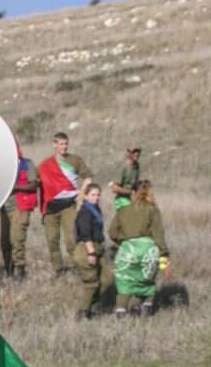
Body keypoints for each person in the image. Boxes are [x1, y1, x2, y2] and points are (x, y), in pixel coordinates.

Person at [107, 178, 170, 315]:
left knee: (125, 283)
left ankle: (120, 314)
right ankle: (146, 309)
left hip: (128, 251)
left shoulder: (123, 210)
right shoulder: (153, 210)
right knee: (147, 282)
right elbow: (158, 235)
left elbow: (112, 232)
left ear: (133, 192)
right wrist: (164, 255)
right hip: (149, 251)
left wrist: (124, 242)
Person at [36, 132, 89, 276]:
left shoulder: (75, 160)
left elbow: (88, 177)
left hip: (68, 205)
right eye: (61, 144)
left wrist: (82, 194)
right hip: (51, 208)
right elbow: (36, 181)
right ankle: (58, 269)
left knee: (71, 238)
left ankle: (75, 267)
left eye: (66, 144)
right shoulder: (44, 165)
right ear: (55, 145)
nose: (64, 147)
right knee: (52, 239)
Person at [71, 181, 109, 318]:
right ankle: (83, 313)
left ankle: (94, 307)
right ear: (86, 196)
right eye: (93, 195)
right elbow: (85, 234)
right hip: (86, 249)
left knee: (107, 279)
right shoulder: (85, 212)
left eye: (98, 195)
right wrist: (91, 252)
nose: (96, 197)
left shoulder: (95, 209)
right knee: (91, 283)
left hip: (97, 248)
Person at [1, 155, 38, 279]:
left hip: (20, 206)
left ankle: (20, 270)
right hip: (3, 208)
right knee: (5, 242)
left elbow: (34, 184)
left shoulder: (26, 164)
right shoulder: (1, 165)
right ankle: (9, 270)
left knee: (17, 239)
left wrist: (15, 187)